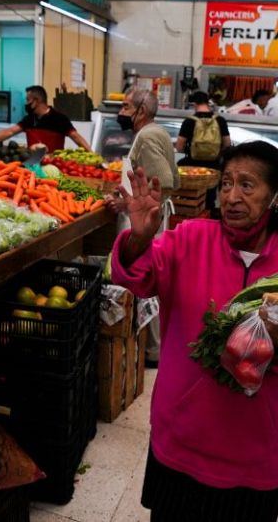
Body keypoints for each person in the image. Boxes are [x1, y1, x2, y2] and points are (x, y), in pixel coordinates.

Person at [110, 141, 278, 521]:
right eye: (226, 184)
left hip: (258, 451)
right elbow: (138, 278)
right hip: (182, 437)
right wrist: (139, 237)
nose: (232, 197)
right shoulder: (190, 238)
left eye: (247, 185)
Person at [108, 88, 178, 368]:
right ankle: (151, 347)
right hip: (150, 216)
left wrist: (129, 205)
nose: (121, 113)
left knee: (147, 282)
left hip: (148, 220)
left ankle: (153, 351)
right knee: (148, 281)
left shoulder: (147, 136)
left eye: (126, 107)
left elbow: (165, 181)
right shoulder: (152, 132)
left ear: (142, 111)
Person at [0, 85, 92, 152]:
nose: (26, 103)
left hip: (53, 164)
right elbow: (10, 132)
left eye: (28, 100)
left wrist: (92, 154)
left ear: (36, 100)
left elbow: (76, 137)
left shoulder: (60, 118)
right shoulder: (29, 119)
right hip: (32, 164)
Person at [175, 91, 231, 167]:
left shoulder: (189, 121)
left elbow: (179, 147)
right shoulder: (220, 120)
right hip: (214, 165)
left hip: (192, 164)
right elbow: (227, 144)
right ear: (208, 103)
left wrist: (190, 151)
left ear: (194, 104)